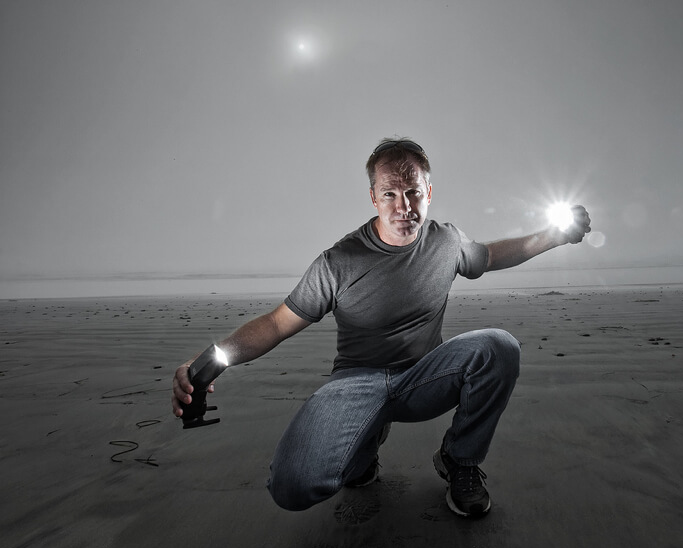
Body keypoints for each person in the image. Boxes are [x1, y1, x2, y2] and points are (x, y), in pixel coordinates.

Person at [172, 138, 591, 518]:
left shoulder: (446, 242)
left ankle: (459, 462)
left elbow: (493, 255)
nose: (403, 206)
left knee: (499, 347)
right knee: (291, 487)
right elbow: (277, 323)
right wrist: (208, 359)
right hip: (355, 383)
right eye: (390, 193)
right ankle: (363, 450)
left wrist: (556, 236)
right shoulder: (337, 262)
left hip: (425, 377)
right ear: (373, 197)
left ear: (428, 192)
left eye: (412, 193)